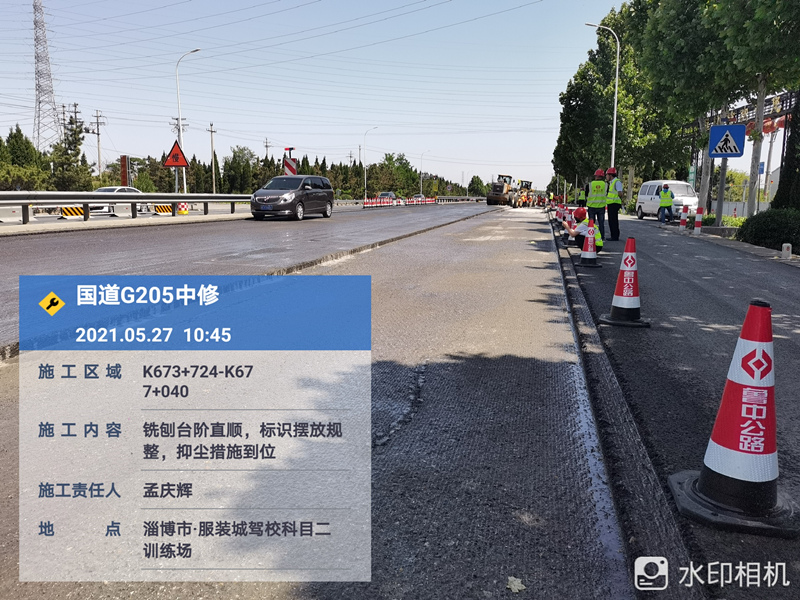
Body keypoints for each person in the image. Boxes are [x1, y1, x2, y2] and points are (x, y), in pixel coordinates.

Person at [586, 168, 608, 241]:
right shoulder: (606, 185)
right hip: (601, 206)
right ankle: (601, 237)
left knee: (591, 223)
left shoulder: (590, 185)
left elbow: (586, 194)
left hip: (591, 206)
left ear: (596, 176)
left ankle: (591, 236)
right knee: (601, 223)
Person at [605, 167, 624, 241]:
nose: (606, 177)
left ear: (610, 175)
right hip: (611, 203)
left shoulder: (617, 182)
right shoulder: (612, 182)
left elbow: (620, 193)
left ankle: (615, 236)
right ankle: (613, 235)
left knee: (613, 220)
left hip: (614, 203)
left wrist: (618, 199)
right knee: (611, 220)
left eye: (607, 175)